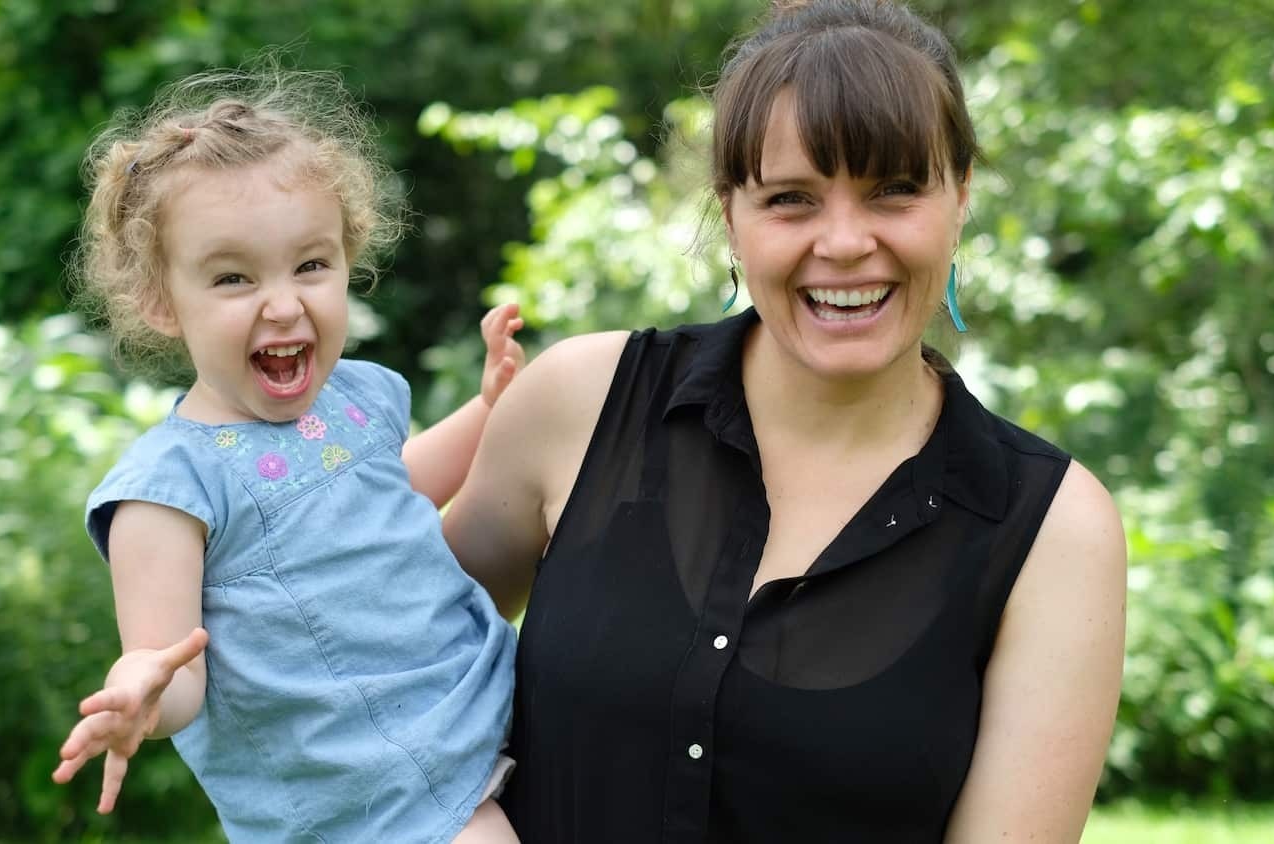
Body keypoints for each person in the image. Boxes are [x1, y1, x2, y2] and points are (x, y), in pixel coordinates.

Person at [442, 1, 1127, 841]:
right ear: (731, 213)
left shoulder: (1054, 531)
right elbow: (373, 643)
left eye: (894, 191)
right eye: (792, 199)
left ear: (960, 198)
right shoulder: (577, 404)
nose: (843, 243)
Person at [50, 67, 522, 843]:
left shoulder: (357, 396)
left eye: (310, 265)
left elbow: (391, 490)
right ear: (161, 301)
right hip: (377, 798)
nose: (283, 303)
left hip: (479, 701)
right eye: (233, 278)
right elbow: (174, 666)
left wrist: (490, 410)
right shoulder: (167, 491)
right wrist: (140, 691)